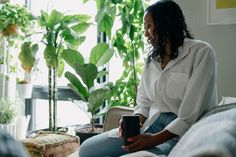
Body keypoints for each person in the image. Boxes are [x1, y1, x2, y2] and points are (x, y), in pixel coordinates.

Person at [79, 0, 218, 156]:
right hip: (152, 125)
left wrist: (154, 140)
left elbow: (189, 116)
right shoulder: (152, 60)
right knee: (87, 149)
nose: (145, 33)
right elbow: (144, 104)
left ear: (166, 24)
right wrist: (134, 123)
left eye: (149, 26)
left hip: (178, 135)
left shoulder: (201, 53)